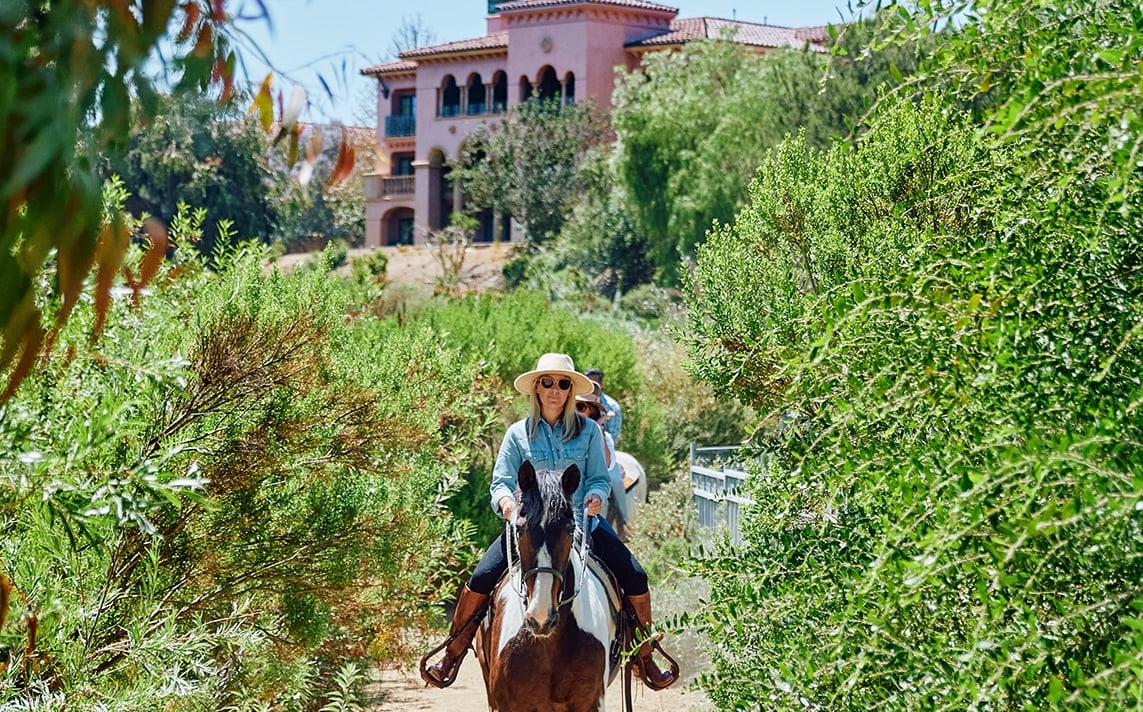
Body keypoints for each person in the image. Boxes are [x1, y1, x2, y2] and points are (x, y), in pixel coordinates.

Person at [422, 352, 678, 691]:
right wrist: (508, 505)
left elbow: (599, 478)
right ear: (537, 388)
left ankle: (644, 657)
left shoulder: (589, 432)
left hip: (580, 525)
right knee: (481, 578)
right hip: (528, 528)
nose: (555, 389)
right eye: (547, 382)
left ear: (571, 390)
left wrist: (596, 496)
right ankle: (452, 654)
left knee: (634, 575)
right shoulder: (517, 434)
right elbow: (501, 482)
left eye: (563, 383)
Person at [576, 382, 632, 542]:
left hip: (590, 497)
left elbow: (607, 463)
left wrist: (598, 430)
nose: (575, 412)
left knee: (615, 480)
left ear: (591, 411)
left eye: (580, 407)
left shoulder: (601, 434)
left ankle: (623, 520)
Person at [584, 367, 622, 445]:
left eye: (594, 384)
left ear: (601, 384)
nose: (591, 387)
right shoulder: (577, 403)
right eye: (588, 383)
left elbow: (612, 438)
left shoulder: (612, 407)